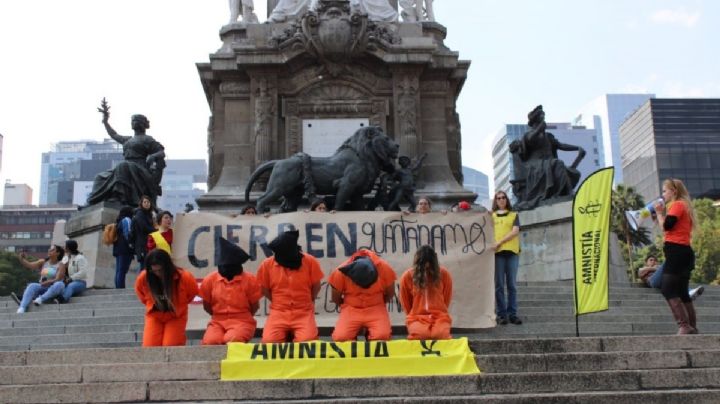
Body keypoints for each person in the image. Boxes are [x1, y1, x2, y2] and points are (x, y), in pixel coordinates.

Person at [87, 99, 166, 207]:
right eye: (132, 121)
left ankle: (119, 197)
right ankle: (93, 201)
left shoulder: (147, 139)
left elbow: (161, 152)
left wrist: (153, 156)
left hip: (140, 169)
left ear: (141, 124)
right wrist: (105, 121)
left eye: (135, 120)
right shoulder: (128, 140)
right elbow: (113, 134)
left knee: (122, 166)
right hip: (127, 168)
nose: (132, 123)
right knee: (100, 177)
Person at [256, 229, 324, 343]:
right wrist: (278, 302)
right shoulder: (267, 264)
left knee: (307, 342)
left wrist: (308, 301)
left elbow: (316, 285)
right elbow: (264, 289)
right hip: (278, 312)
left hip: (303, 311)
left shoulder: (310, 261)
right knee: (269, 342)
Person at [654, 179, 699, 334]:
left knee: (667, 288)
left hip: (677, 252)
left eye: (665, 191)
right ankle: (691, 326)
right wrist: (660, 216)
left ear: (674, 192)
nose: (663, 194)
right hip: (684, 252)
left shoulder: (678, 205)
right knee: (681, 291)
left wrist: (660, 213)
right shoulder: (682, 205)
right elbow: (668, 228)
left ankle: (684, 325)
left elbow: (667, 226)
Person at [200, 238, 262, 344]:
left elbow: (255, 306)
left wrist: (243, 316)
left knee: (232, 340)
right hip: (217, 321)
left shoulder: (250, 280)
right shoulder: (209, 280)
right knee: (210, 341)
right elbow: (206, 305)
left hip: (242, 320)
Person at [134, 249, 199, 347]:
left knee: (172, 345)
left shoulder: (184, 277)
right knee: (149, 346)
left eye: (160, 270)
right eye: (154, 271)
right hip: (154, 316)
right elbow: (141, 295)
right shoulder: (144, 277)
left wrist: (180, 304)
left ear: (168, 266)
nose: (157, 273)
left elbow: (192, 293)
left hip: (175, 316)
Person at [328, 248, 396, 341]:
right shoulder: (340, 272)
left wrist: (377, 303)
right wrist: (349, 305)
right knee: (341, 338)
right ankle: (353, 335)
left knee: (382, 337)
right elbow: (336, 298)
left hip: (376, 308)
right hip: (351, 309)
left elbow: (390, 293)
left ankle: (369, 333)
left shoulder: (384, 268)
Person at [399, 245, 453, 340]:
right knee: (420, 335)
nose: (427, 269)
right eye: (424, 266)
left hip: (440, 317)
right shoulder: (407, 276)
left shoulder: (444, 274)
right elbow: (405, 301)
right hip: (417, 318)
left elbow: (446, 297)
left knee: (441, 335)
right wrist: (415, 313)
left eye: (430, 266)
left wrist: (439, 310)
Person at [491, 190, 522, 325]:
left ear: (506, 200)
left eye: (503, 197)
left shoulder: (514, 215)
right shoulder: (491, 216)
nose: (501, 200)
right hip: (497, 254)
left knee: (512, 285)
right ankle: (502, 314)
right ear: (496, 201)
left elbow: (515, 231)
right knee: (498, 285)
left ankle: (512, 314)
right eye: (498, 198)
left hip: (511, 253)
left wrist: (500, 242)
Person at [14, 245, 66, 313]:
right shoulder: (43, 262)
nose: (49, 251)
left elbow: (58, 279)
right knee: (32, 285)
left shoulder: (61, 264)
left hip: (54, 289)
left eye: (52, 250)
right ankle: (22, 307)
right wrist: (21, 258)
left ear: (58, 253)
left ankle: (40, 299)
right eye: (49, 249)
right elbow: (29, 265)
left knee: (60, 284)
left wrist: (49, 282)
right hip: (43, 287)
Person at [638, 255, 704, 299]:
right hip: (652, 281)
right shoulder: (642, 268)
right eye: (651, 260)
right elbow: (640, 274)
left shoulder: (658, 267)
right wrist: (653, 268)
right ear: (646, 262)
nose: (653, 261)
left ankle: (689, 292)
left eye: (655, 260)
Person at [113, 206, 135, 288]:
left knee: (119, 270)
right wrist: (131, 244)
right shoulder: (127, 220)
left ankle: (118, 287)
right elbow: (127, 233)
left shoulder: (119, 220)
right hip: (125, 249)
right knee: (122, 270)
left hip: (118, 248)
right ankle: (120, 288)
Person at [132, 195, 156, 269]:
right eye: (144, 202)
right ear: (141, 203)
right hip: (142, 244)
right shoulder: (140, 213)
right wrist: (156, 230)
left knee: (146, 267)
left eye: (148, 202)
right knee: (143, 267)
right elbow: (144, 228)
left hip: (147, 243)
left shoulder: (149, 214)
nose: (146, 203)